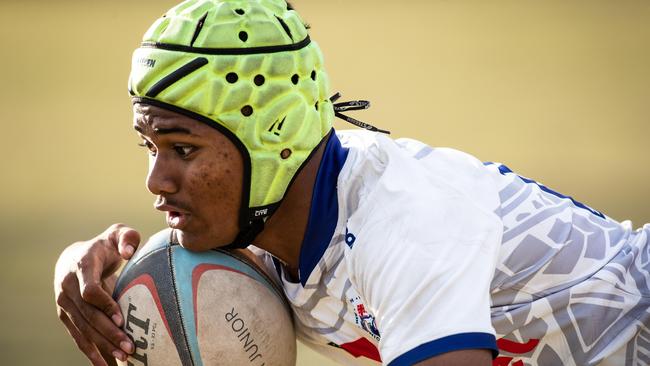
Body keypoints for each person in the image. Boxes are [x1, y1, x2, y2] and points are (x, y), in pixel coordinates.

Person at [53, 1, 650, 365]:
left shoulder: (405, 223)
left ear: (274, 135)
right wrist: (81, 264)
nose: (156, 181)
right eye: (150, 147)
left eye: (182, 149)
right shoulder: (262, 213)